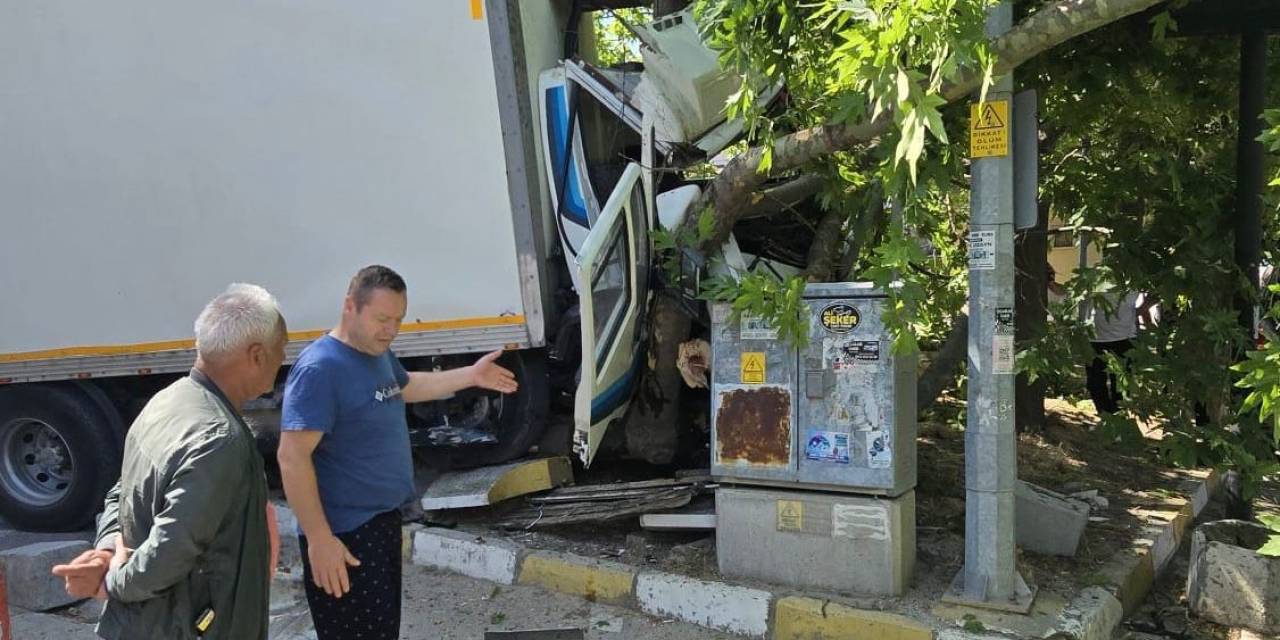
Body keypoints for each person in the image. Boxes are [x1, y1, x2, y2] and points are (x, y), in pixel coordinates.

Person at [277, 265, 518, 640]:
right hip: (345, 537)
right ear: (350, 306)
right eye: (382, 319)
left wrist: (471, 375)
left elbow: (405, 386)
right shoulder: (320, 369)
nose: (391, 329)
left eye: (398, 320)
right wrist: (320, 540)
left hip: (382, 524)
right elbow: (291, 458)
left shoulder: (374, 352)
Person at [51, 284, 287, 640]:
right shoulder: (220, 440)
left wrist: (107, 548)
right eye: (281, 349)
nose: (283, 359)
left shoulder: (165, 402)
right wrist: (111, 582)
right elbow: (172, 549)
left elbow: (121, 493)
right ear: (257, 355)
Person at [1083, 287, 1140, 414]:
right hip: (1094, 338)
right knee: (1095, 383)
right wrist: (1049, 280)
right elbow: (1063, 289)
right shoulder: (1090, 279)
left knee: (1122, 384)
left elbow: (1157, 290)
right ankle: (1105, 416)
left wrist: (1142, 309)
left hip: (1125, 338)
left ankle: (1119, 417)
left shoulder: (1134, 279)